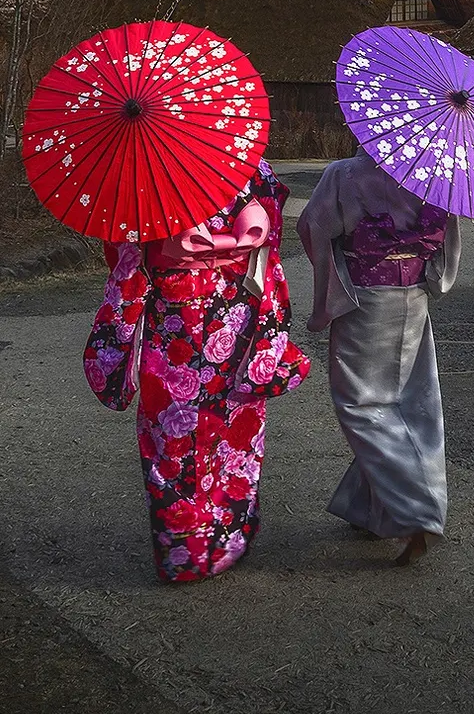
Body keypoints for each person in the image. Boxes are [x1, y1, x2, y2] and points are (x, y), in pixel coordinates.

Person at [82, 159, 309, 583]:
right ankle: (230, 535)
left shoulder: (141, 173)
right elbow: (269, 233)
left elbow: (122, 254)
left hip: (177, 327)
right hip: (236, 317)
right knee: (236, 433)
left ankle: (185, 549)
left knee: (173, 435)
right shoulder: (249, 166)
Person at [297, 146, 460, 565]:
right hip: (413, 299)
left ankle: (416, 510)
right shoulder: (437, 173)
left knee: (361, 402)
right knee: (409, 401)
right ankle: (369, 510)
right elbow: (448, 241)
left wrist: (333, 277)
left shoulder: (345, 173)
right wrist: (428, 274)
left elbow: (312, 226)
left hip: (366, 301)